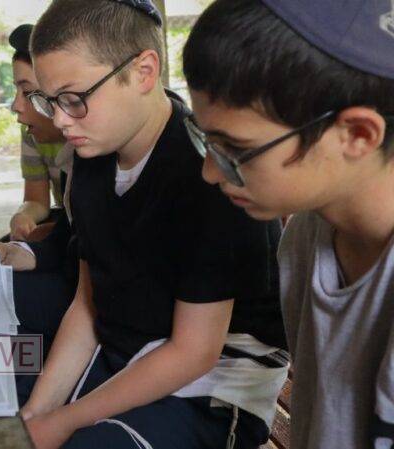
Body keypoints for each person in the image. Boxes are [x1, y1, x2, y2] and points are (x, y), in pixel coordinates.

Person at [19, 1, 287, 448]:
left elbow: (193, 353)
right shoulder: (91, 157)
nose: (61, 119)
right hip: (125, 346)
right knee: (1, 396)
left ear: (144, 72)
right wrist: (35, 414)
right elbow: (87, 305)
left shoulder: (208, 175)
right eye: (49, 101)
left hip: (213, 382)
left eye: (73, 98)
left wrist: (64, 420)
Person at [181, 1, 394, 447]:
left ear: (357, 134)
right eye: (206, 140)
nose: (210, 172)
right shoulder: (305, 236)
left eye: (235, 149)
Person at [0, 24, 79, 352]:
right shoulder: (45, 139)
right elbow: (43, 205)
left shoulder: (88, 147)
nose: (16, 106)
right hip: (64, 243)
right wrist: (23, 236)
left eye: (27, 91)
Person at [7, 24, 74, 242]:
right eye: (17, 90)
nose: (15, 105)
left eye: (27, 92)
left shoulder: (95, 139)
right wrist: (24, 215)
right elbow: (36, 200)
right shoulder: (33, 133)